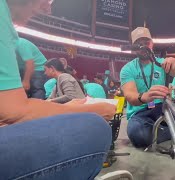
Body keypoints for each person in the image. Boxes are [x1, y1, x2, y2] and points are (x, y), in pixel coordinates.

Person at [1, 1, 116, 179]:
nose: (48, 8)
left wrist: (60, 106)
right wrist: (83, 109)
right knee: (96, 125)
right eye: (47, 0)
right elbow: (13, 112)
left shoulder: (61, 78)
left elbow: (67, 97)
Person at [120, 27, 175, 148]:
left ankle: (163, 131)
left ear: (152, 43)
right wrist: (145, 96)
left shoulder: (163, 63)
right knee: (139, 135)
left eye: (146, 43)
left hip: (162, 108)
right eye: (138, 44)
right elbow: (130, 95)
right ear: (133, 48)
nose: (143, 47)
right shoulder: (128, 69)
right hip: (140, 112)